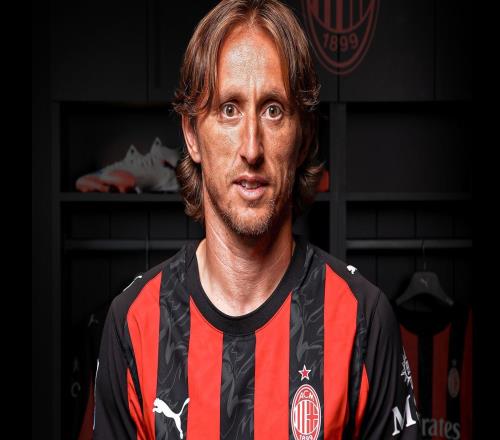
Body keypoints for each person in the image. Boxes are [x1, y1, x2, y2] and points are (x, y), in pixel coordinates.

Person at [93, 1, 420, 438]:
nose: (251, 148)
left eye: (273, 109)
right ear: (192, 134)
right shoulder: (133, 323)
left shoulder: (363, 320)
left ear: (304, 135)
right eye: (229, 109)